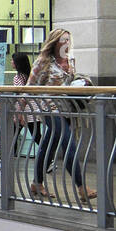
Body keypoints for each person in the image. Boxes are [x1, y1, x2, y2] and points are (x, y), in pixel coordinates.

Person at [27, 27, 95, 200]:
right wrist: (20, 110)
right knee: (68, 144)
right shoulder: (43, 61)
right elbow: (30, 86)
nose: (67, 43)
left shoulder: (70, 59)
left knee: (47, 146)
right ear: (55, 41)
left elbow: (70, 82)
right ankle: (81, 188)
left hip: (67, 108)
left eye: (68, 40)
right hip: (49, 108)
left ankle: (37, 182)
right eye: (63, 39)